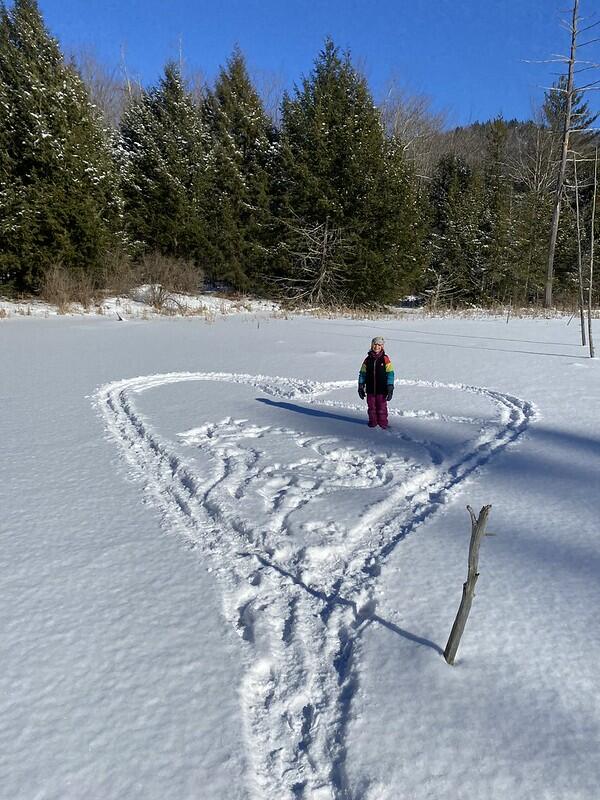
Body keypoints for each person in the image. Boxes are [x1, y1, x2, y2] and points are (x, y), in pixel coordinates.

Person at [358, 336, 394, 429]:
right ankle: (372, 423)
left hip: (382, 390)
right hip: (370, 389)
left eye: (379, 345)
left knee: (382, 408)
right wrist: (361, 386)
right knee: (371, 408)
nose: (376, 347)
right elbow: (362, 373)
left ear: (382, 346)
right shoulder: (367, 359)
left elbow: (390, 373)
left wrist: (390, 386)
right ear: (372, 345)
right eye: (375, 344)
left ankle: (383, 424)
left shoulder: (385, 359)